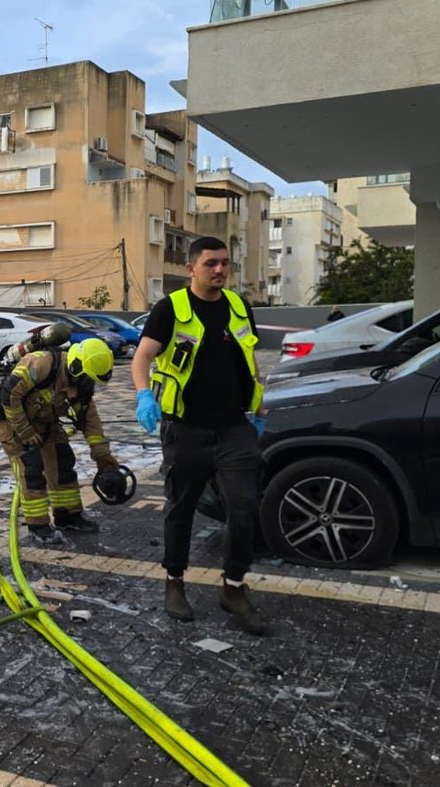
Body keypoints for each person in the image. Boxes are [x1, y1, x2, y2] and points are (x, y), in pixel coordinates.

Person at [130, 236, 267, 635]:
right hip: (185, 427)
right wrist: (143, 395)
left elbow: (250, 359)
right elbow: (142, 357)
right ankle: (174, 581)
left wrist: (259, 409)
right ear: (192, 268)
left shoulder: (240, 307)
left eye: (225, 263)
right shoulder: (170, 308)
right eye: (211, 264)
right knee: (181, 508)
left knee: (243, 506)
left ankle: (234, 586)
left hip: (234, 428)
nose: (220, 270)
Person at [0, 336, 120, 546]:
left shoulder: (81, 382)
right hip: (16, 423)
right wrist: (24, 431)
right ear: (75, 366)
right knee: (31, 471)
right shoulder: (40, 364)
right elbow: (8, 396)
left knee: (63, 464)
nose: (88, 385)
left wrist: (103, 457)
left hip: (48, 423)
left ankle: (68, 516)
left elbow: (91, 421)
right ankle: (38, 525)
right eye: (87, 379)